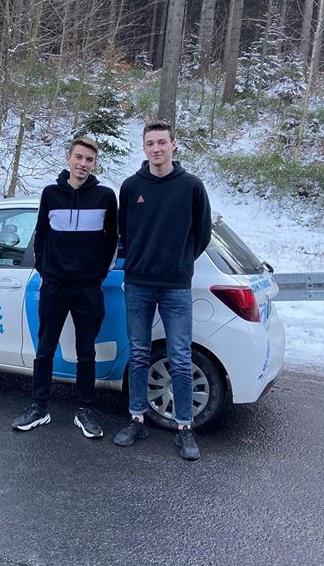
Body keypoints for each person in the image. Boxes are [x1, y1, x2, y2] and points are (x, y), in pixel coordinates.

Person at [112, 120, 212, 460]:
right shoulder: (131, 187)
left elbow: (202, 234)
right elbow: (124, 231)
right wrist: (139, 261)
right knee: (139, 353)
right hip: (138, 284)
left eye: (161, 142)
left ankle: (184, 427)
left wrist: (179, 262)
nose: (156, 148)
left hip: (175, 287)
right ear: (144, 148)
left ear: (173, 144)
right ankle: (137, 419)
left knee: (180, 357)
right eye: (150, 143)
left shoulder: (192, 186)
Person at [12, 136, 118, 439]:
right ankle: (39, 406)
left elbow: (111, 240)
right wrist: (46, 270)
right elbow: (41, 235)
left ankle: (84, 410)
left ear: (94, 164)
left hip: (88, 288)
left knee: (86, 352)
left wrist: (96, 275)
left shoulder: (105, 197)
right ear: (68, 158)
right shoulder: (51, 194)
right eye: (79, 157)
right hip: (54, 285)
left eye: (89, 160)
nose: (83, 164)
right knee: (45, 349)